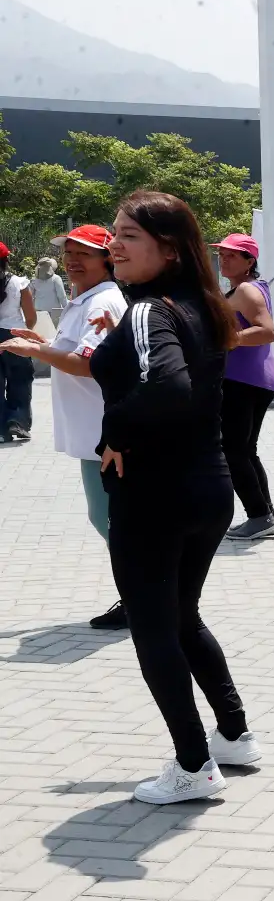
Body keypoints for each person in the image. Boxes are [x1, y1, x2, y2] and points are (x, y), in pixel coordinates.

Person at [89, 191, 260, 803]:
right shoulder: (204, 307)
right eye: (115, 234)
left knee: (154, 628)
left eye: (127, 236)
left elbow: (168, 387)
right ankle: (233, 736)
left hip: (156, 494)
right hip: (208, 488)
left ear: (168, 249)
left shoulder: (150, 312)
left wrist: (115, 432)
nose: (114, 245)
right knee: (181, 617)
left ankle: (192, 767)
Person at [0, 225, 126, 625]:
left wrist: (34, 349)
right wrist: (41, 345)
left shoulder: (101, 303)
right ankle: (148, 593)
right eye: (69, 252)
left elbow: (90, 365)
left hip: (104, 434)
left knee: (110, 520)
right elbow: (76, 352)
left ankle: (149, 595)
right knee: (109, 518)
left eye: (84, 254)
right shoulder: (86, 299)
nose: (73, 260)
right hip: (94, 432)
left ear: (108, 259)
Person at [213, 233, 274, 540]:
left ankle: (259, 516)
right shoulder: (248, 288)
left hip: (243, 381)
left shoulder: (247, 291)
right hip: (254, 380)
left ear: (249, 261)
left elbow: (267, 331)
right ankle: (265, 515)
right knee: (244, 451)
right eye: (222, 254)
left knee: (233, 451)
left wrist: (231, 339)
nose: (223, 259)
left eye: (231, 255)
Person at [0, 242, 41, 441]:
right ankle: (17, 422)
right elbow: (31, 317)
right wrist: (25, 333)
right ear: (6, 260)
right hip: (14, 335)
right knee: (21, 380)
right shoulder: (19, 283)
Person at [31, 256, 67, 329]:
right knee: (53, 334)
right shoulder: (56, 279)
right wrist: (67, 309)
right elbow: (62, 296)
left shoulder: (34, 280)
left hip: (38, 311)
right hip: (53, 312)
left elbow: (31, 296)